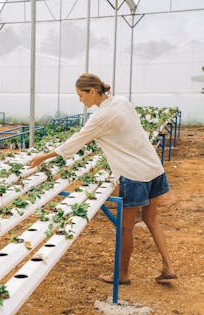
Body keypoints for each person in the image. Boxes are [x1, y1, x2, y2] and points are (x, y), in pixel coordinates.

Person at [29, 73, 177, 285]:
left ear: (92, 92)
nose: (80, 100)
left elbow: (76, 140)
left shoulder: (99, 118)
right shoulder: (122, 101)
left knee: (126, 227)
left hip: (134, 175)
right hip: (153, 168)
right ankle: (168, 267)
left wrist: (44, 156)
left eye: (81, 95)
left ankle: (123, 275)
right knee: (151, 219)